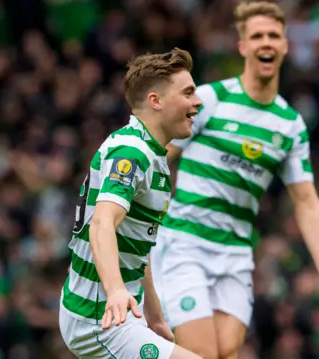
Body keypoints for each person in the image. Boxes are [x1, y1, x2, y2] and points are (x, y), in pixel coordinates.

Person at [150, 3, 319, 359]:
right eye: (256, 36)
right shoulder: (210, 99)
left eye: (272, 35)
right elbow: (159, 154)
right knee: (202, 353)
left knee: (228, 350)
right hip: (185, 244)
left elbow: (306, 201)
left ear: (285, 45)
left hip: (236, 253)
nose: (265, 42)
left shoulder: (290, 125)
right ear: (243, 47)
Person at [58, 48, 203, 359]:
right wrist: (115, 292)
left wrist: (154, 317)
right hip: (99, 318)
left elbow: (137, 247)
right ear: (156, 101)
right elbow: (102, 222)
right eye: (188, 92)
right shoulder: (132, 153)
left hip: (118, 311)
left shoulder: (153, 154)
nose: (198, 101)